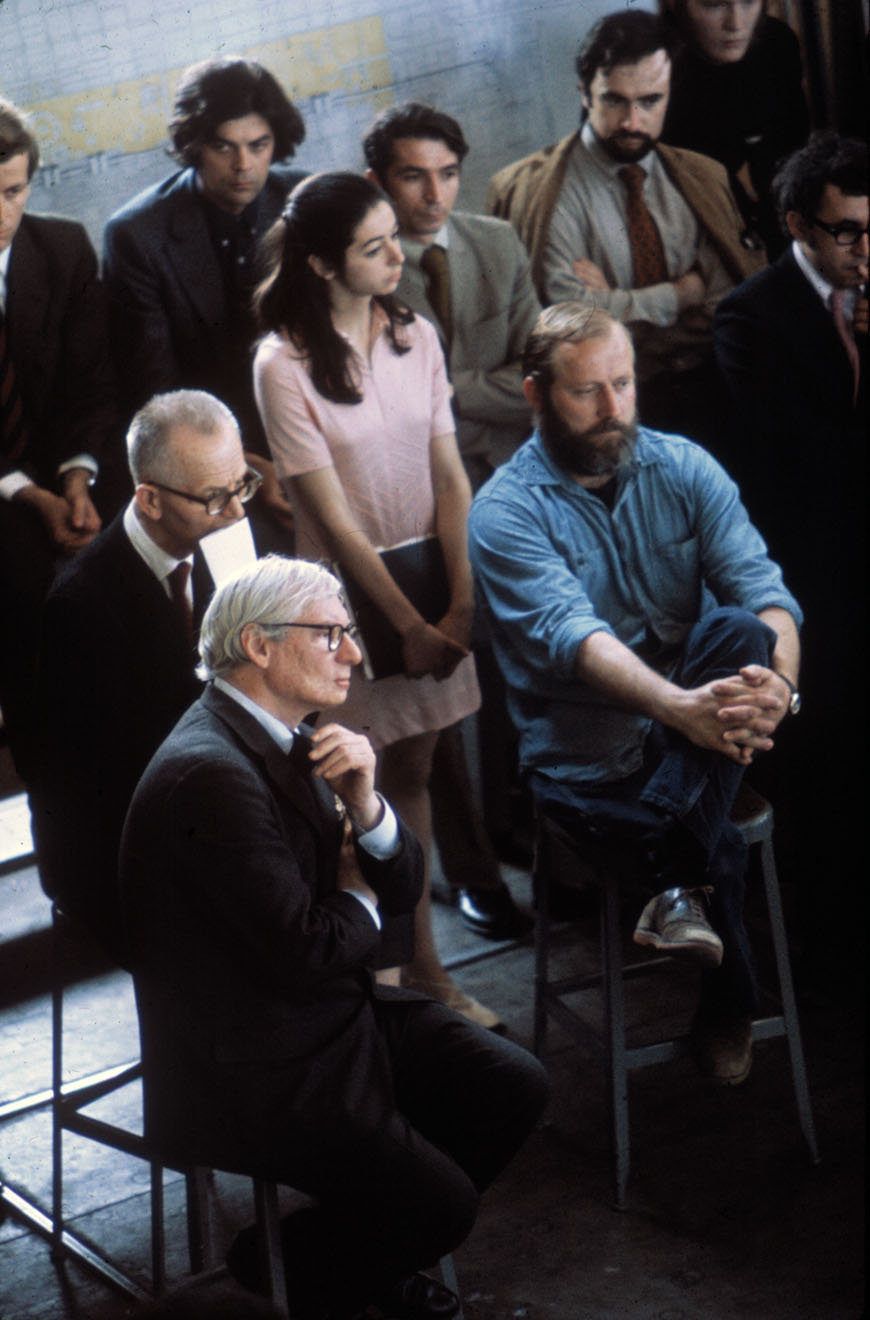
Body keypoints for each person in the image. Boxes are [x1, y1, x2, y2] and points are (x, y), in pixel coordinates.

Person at [119, 555, 549, 1320]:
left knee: (514, 1085)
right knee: (444, 1208)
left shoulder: (292, 734)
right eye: (332, 635)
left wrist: (370, 806)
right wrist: (355, 890)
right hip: (257, 1064)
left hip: (326, 1016)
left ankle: (321, 1254)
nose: (355, 653)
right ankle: (342, 1262)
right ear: (259, 645)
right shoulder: (210, 771)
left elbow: (403, 890)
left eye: (350, 634)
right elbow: (311, 947)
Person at [468, 305, 802, 1086]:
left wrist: (782, 686)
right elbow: (574, 636)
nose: (614, 409)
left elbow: (765, 590)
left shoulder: (683, 466)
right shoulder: (506, 510)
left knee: (744, 633)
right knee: (714, 823)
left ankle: (674, 876)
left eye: (623, 383)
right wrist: (679, 709)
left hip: (697, 725)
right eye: (588, 391)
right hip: (583, 751)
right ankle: (725, 993)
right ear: (535, 394)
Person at [253, 172, 504, 1028]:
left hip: (436, 578)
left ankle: (429, 975)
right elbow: (332, 520)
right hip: (348, 605)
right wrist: (407, 626)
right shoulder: (282, 363)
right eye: (374, 247)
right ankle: (385, 991)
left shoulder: (415, 336)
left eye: (395, 236)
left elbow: (449, 474)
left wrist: (463, 604)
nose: (399, 255)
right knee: (356, 801)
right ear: (322, 263)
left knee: (417, 772)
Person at [363, 100, 538, 938]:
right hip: (412, 508)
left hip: (509, 483)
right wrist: (473, 394)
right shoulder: (365, 270)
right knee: (443, 702)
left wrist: (443, 393)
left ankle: (531, 837)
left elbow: (537, 379)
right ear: (378, 182)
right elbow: (393, 417)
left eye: (446, 174)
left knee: (525, 667)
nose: (433, 195)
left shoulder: (497, 243)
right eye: (411, 175)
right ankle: (473, 873)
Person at [714, 132, 867, 994]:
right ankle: (824, 950)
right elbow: (801, 463)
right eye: (845, 233)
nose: (864, 250)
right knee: (829, 769)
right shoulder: (751, 315)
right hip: (816, 585)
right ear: (797, 226)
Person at [32, 389, 258, 957]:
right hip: (132, 845)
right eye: (214, 498)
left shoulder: (227, 534)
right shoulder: (79, 605)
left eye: (243, 486)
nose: (237, 513)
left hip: (222, 810)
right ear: (150, 500)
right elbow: (86, 789)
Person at [487, 8, 764, 444]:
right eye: (615, 100)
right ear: (585, 93)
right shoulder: (543, 193)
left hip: (714, 399)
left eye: (650, 101)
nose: (633, 122)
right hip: (608, 415)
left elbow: (727, 299)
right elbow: (568, 324)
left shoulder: (703, 176)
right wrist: (679, 294)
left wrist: (613, 307)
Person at [102, 57, 306, 548]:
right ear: (194, 146)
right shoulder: (137, 234)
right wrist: (246, 466)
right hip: (206, 462)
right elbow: (156, 392)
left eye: (259, 146)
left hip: (311, 434)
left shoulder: (305, 203)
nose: (244, 166)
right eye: (223, 147)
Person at [0, 97, 119, 779]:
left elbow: (92, 385)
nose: (0, 213)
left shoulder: (63, 246)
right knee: (29, 629)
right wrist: (32, 496)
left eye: (13, 192)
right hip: (5, 493)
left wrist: (76, 477)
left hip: (65, 471)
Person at [659, 0, 809, 256]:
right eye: (714, 5)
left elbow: (793, 160)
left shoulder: (777, 44)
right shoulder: (650, 65)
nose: (736, 24)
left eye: (749, 2)